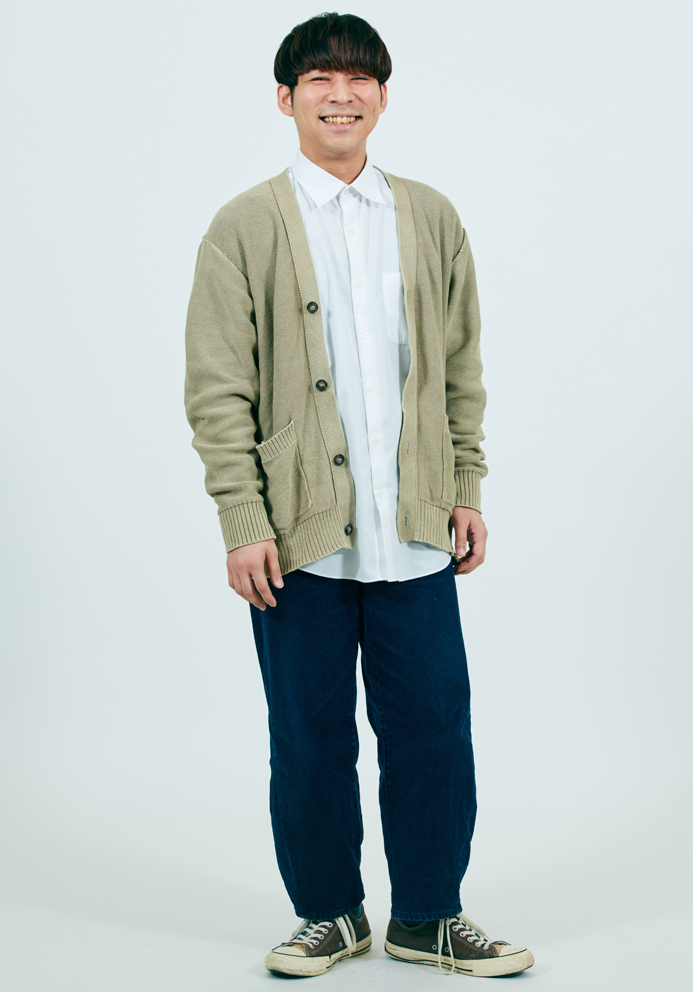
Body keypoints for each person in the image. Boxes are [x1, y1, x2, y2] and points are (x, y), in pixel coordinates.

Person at [184, 10, 534, 980]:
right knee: (308, 737)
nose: (340, 95)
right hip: (298, 537)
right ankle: (328, 914)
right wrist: (243, 520)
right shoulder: (243, 225)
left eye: (358, 78)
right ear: (286, 98)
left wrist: (464, 485)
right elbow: (217, 387)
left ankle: (427, 914)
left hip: (414, 528)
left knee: (433, 730)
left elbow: (459, 367)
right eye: (319, 79)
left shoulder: (429, 216)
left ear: (381, 94)